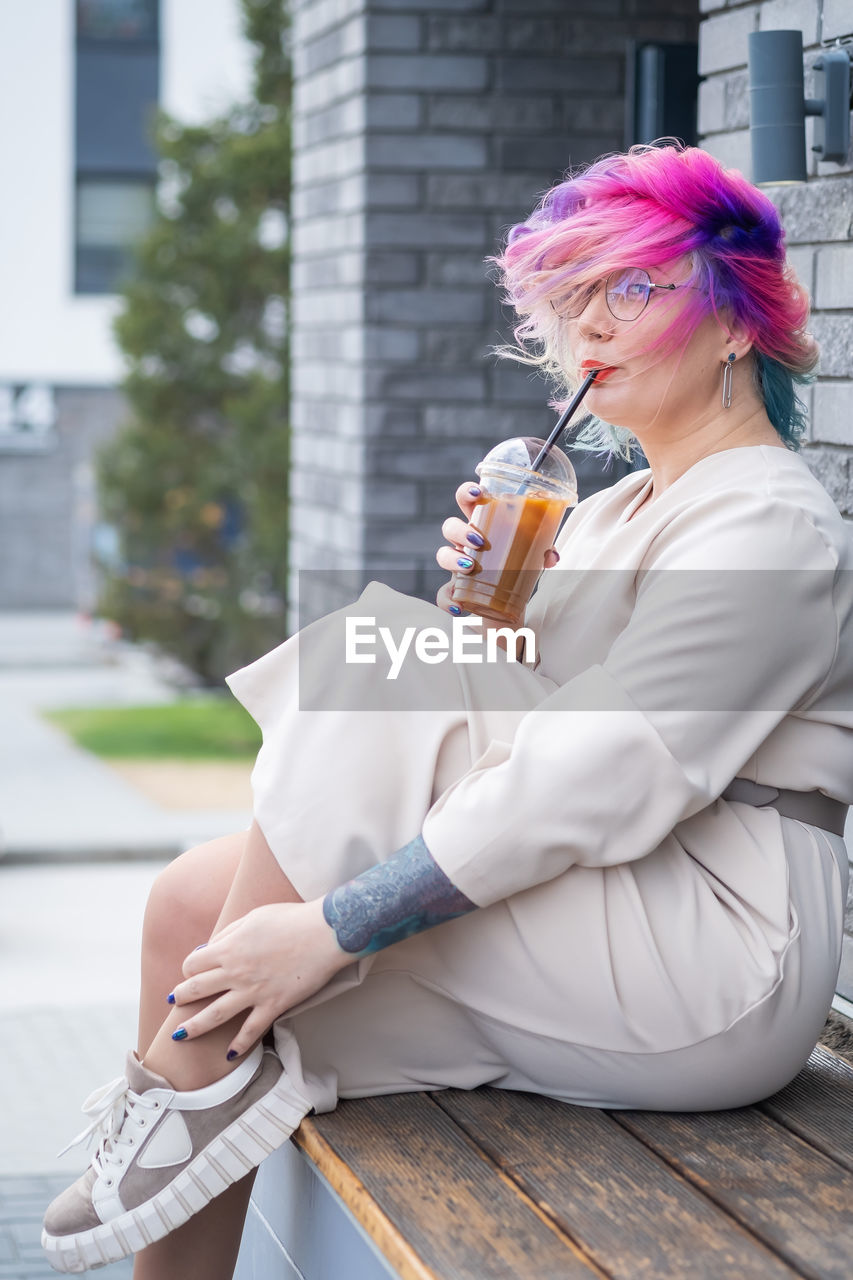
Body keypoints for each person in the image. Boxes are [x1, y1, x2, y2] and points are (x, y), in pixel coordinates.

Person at [43, 142, 853, 1279]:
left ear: (737, 323)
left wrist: (331, 926)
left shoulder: (769, 522)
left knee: (373, 660)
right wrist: (499, 621)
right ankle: (186, 1119)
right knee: (199, 915)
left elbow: (603, 769)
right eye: (570, 300)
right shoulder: (614, 506)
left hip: (717, 953)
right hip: (611, 892)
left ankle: (181, 1091)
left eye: (628, 287)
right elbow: (518, 725)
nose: (590, 332)